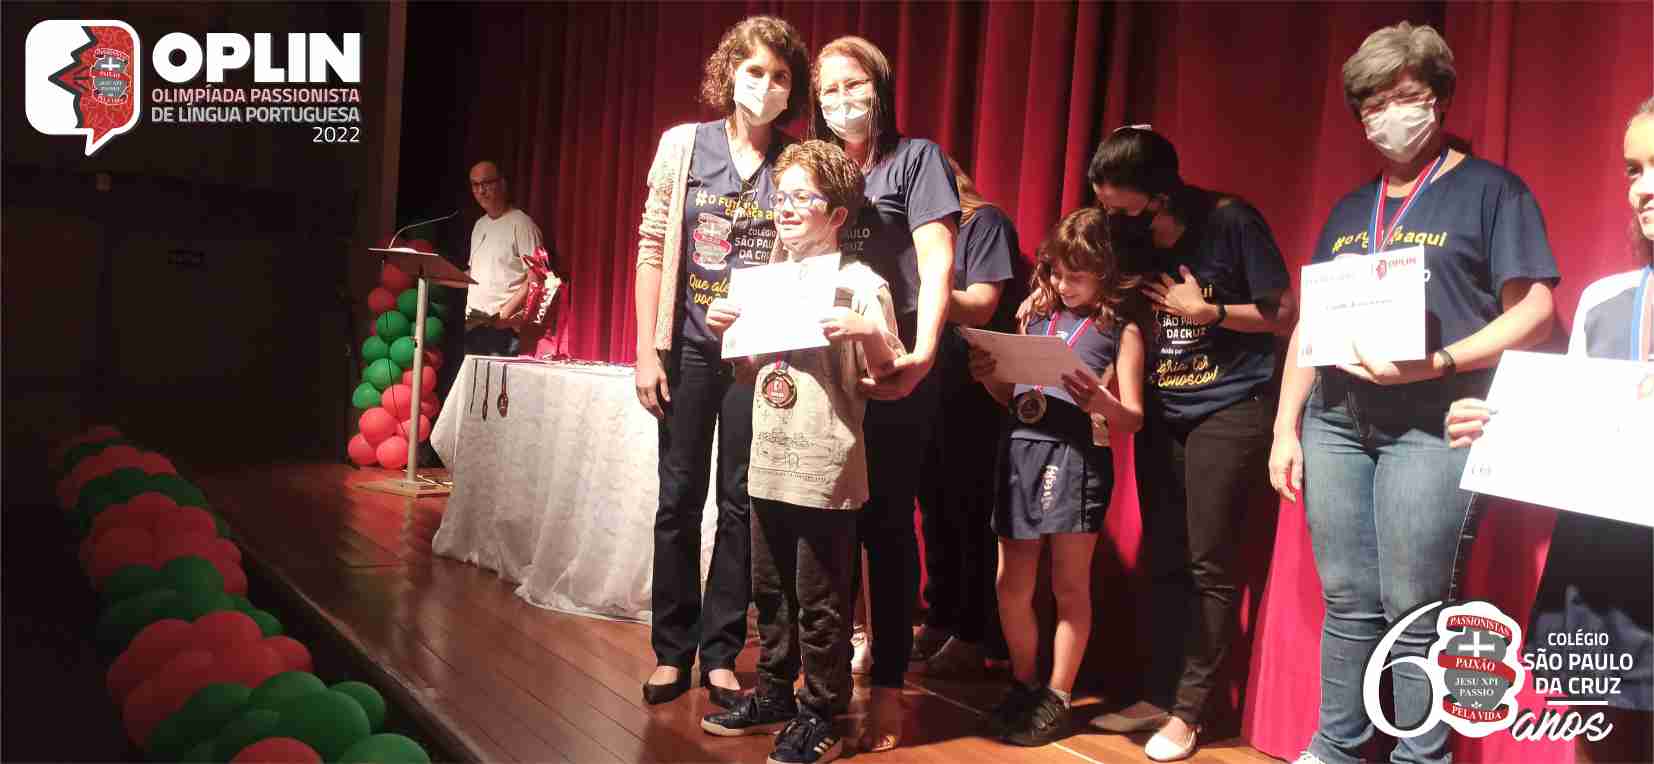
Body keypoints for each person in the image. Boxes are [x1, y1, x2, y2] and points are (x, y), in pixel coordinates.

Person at [1268, 22, 1560, 764]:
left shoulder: (1492, 191)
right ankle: (1337, 746)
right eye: (1372, 104)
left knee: (1415, 606)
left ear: (1439, 98)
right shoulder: (1349, 210)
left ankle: (1419, 757)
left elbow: (1535, 312)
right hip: (1337, 421)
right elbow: (1311, 325)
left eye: (1405, 96)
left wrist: (1439, 361)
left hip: (1435, 423)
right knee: (1347, 597)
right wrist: (1284, 427)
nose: (1388, 115)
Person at [1443, 97, 1653, 764]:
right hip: (1605, 552)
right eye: (1633, 170)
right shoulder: (1604, 299)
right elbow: (1578, 431)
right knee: (1599, 734)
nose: (1642, 189)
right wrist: (1497, 427)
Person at [1079, 127, 1295, 762]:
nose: (1109, 212)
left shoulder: (1230, 221)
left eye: (1117, 200)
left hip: (1229, 407)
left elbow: (1283, 312)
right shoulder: (1130, 233)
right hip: (1164, 408)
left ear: (1157, 192)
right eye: (1102, 200)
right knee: (1164, 555)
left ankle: (1191, 712)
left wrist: (1211, 313)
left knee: (1210, 564)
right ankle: (1157, 692)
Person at [699, 140, 904, 764]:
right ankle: (774, 694)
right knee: (771, 592)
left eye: (802, 198)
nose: (785, 208)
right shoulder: (766, 281)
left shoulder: (860, 284)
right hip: (769, 457)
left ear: (837, 214)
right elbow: (751, 373)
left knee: (821, 602)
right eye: (780, 197)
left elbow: (889, 375)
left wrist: (868, 332)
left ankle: (823, 713)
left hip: (824, 465)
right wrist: (729, 331)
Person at [631, 15, 810, 708]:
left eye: (780, 76)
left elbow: (807, 256)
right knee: (677, 499)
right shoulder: (684, 146)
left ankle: (721, 652)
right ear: (730, 72)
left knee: (741, 503)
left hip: (754, 362)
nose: (765, 85)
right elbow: (653, 247)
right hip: (685, 350)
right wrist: (647, 350)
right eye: (755, 71)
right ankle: (670, 650)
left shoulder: (797, 160)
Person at [810, 36, 960, 752]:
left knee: (889, 526)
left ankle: (892, 691)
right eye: (828, 89)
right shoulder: (816, 163)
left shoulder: (917, 159)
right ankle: (825, 684)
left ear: (881, 87)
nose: (842, 100)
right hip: (823, 362)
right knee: (826, 522)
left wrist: (923, 352)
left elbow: (936, 262)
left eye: (855, 84)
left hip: (894, 363)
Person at [969, 207, 1145, 746]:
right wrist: (989, 379)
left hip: (1075, 459)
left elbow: (1132, 418)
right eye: (1057, 273)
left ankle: (1057, 695)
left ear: (1105, 273)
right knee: (1011, 583)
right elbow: (1016, 398)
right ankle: (1024, 684)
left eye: (1077, 276)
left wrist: (1101, 400)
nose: (1064, 285)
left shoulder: (1121, 330)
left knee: (1068, 584)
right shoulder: (1035, 315)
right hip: (1020, 452)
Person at [912, 158, 1021, 676]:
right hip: (926, 384)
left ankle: (974, 631)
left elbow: (981, 303)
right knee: (934, 507)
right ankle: (941, 614)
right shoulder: (919, 233)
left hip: (975, 387)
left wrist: (917, 291)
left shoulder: (987, 223)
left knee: (971, 511)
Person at [464, 160, 543, 358]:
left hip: (504, 327)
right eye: (475, 185)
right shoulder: (479, 225)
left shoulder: (522, 224)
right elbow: (477, 273)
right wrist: (441, 275)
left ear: (502, 184)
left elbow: (536, 277)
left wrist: (506, 312)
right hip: (474, 324)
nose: (481, 191)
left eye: (486, 183)